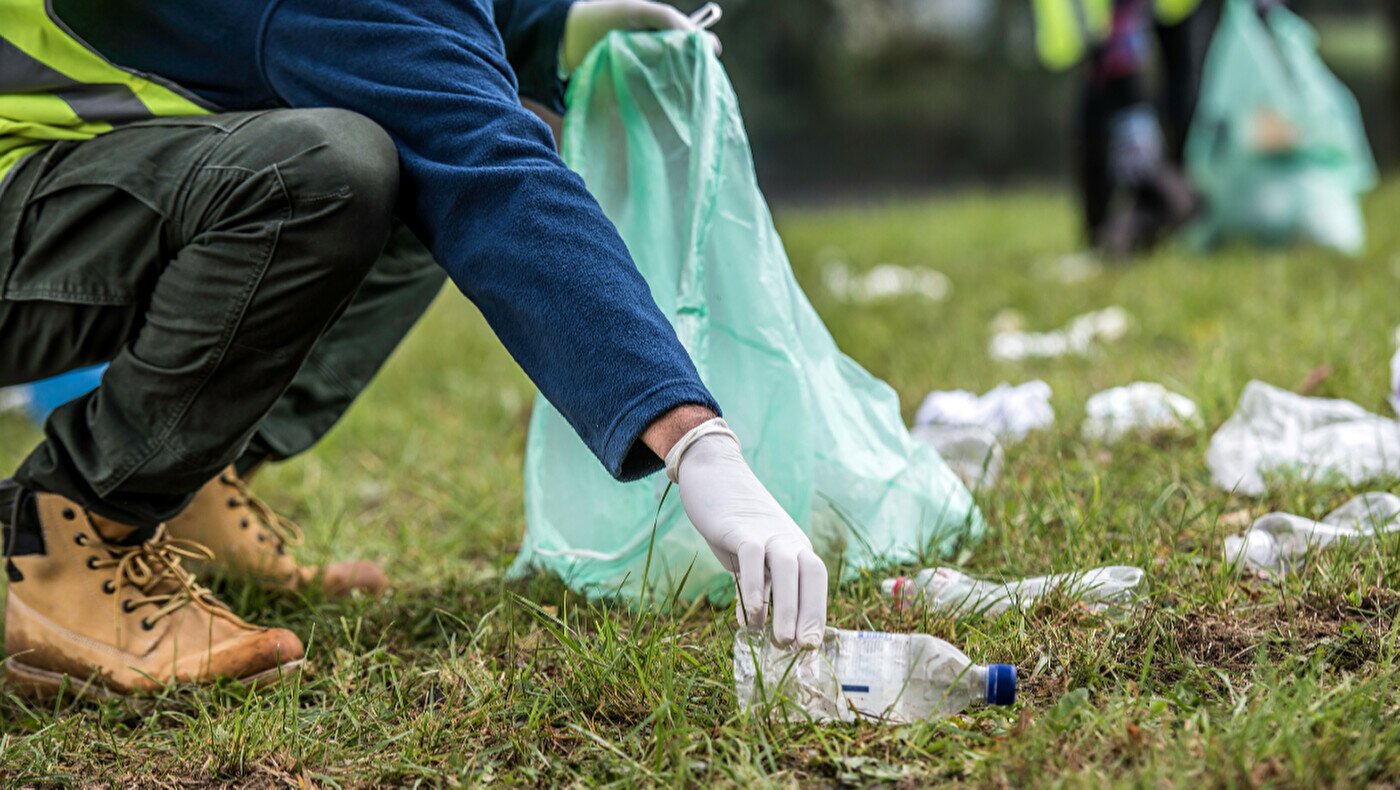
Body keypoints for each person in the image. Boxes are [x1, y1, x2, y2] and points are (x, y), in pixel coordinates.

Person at [0, 0, 828, 697]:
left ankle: (191, 488)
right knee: (328, 171)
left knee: (403, 152)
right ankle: (58, 539)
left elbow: (448, 30)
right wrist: (692, 440)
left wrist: (563, 23)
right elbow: (485, 162)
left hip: (61, 174)